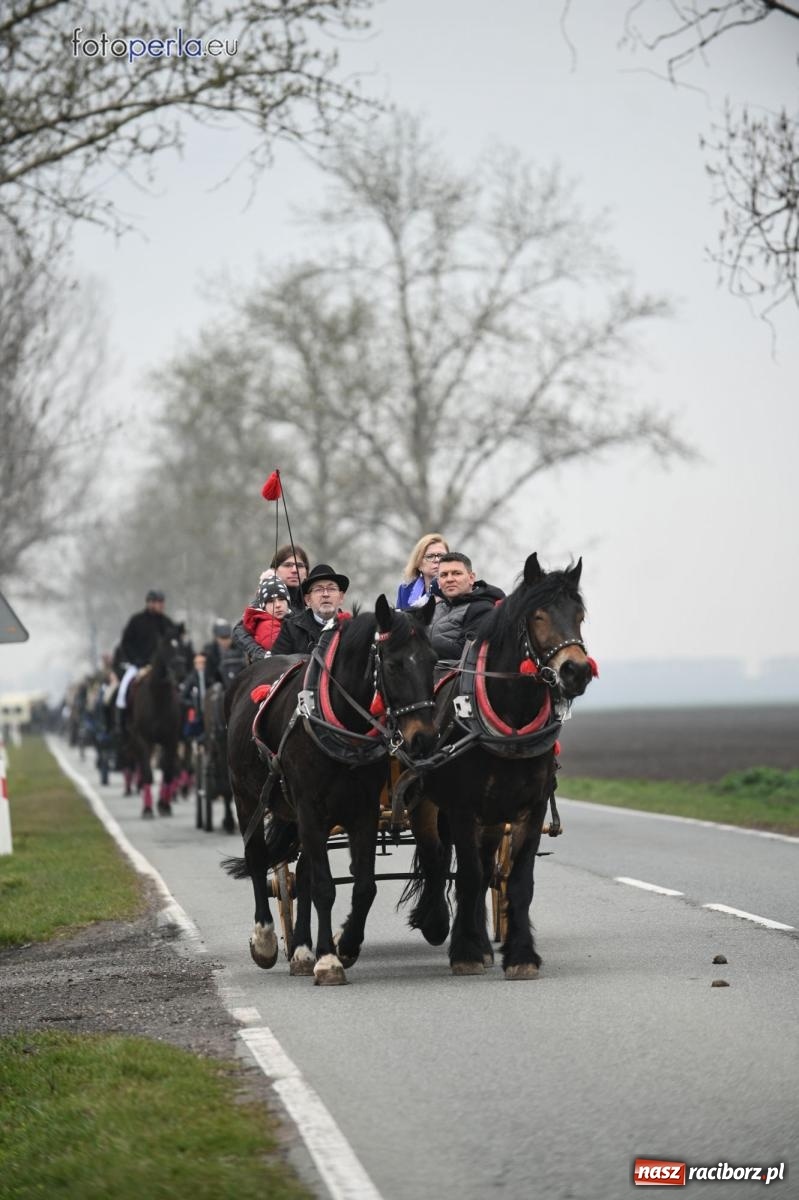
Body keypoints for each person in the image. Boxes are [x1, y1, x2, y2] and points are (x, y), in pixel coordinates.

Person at [429, 552, 505, 660]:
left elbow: (467, 653)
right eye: (444, 575)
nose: (449, 579)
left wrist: (425, 643)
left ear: (471, 578)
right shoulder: (436, 607)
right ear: (439, 582)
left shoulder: (483, 609)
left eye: (456, 573)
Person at [115, 589, 178, 716]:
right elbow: (126, 643)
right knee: (123, 690)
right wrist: (135, 660)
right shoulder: (136, 621)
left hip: (162, 668)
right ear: (149, 603)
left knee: (178, 690)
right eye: (157, 602)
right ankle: (120, 724)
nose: (161, 605)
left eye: (162, 602)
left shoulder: (167, 623)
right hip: (139, 666)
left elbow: (174, 645)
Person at [271, 563, 350, 655]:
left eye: (331, 589)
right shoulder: (290, 629)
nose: (325, 594)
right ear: (308, 600)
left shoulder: (353, 629)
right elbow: (277, 665)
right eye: (318, 589)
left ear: (341, 597)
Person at [232, 577, 292, 662]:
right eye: (271, 601)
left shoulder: (292, 620)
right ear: (264, 607)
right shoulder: (266, 625)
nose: (278, 605)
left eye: (281, 599)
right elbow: (281, 652)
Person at [396, 533, 449, 610]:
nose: (437, 560)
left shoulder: (455, 587)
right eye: (430, 556)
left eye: (441, 556)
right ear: (418, 563)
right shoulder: (405, 590)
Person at [261, 544, 310, 611]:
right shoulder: (260, 605)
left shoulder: (316, 603)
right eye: (287, 565)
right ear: (274, 570)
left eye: (300, 565)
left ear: (306, 572)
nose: (294, 570)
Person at [203, 618, 234, 684]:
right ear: (216, 638)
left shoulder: (237, 649)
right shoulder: (210, 652)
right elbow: (208, 674)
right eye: (222, 638)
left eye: (228, 637)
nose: (225, 641)